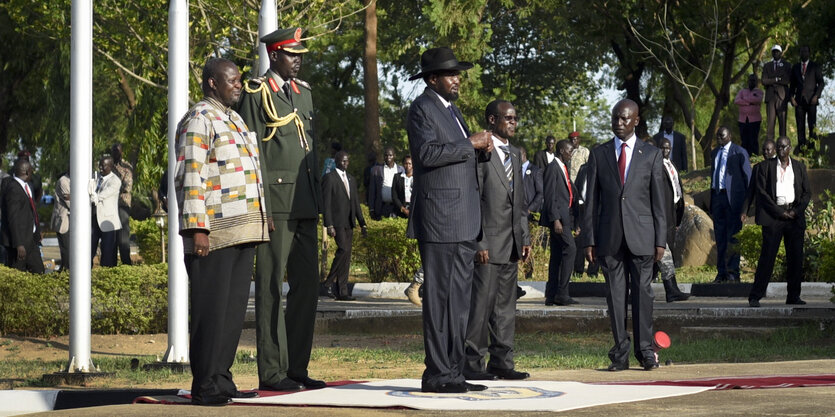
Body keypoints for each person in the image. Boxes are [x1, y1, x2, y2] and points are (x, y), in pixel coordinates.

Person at [174, 57, 268, 406]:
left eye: (240, 80)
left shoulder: (236, 119)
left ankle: (222, 378)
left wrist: (263, 216)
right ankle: (205, 384)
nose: (239, 85)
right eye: (232, 80)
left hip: (243, 230)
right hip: (212, 233)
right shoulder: (199, 118)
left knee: (231, 313)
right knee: (210, 312)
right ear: (212, 82)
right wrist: (197, 229)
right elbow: (190, 176)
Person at [236, 27, 325, 392]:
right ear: (274, 55)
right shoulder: (256, 94)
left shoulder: (304, 94)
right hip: (276, 204)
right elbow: (252, 154)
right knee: (271, 288)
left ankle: (297, 368)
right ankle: (272, 372)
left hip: (304, 202)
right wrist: (262, 208)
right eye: (291, 54)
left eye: (300, 54)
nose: (297, 59)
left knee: (308, 288)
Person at [405, 46, 493, 393]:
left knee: (459, 303)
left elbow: (460, 158)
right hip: (440, 220)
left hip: (465, 220)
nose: (457, 79)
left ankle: (455, 372)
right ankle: (437, 374)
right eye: (451, 74)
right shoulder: (422, 109)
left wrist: (481, 151)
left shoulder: (453, 110)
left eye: (458, 73)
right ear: (432, 79)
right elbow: (426, 154)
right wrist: (471, 143)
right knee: (439, 301)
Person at [583, 99, 667, 371]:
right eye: (615, 118)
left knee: (643, 295)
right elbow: (591, 202)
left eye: (624, 119)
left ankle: (645, 353)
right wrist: (590, 239)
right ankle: (620, 354)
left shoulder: (651, 155)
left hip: (643, 237)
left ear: (636, 121)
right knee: (615, 297)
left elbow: (659, 202)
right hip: (609, 238)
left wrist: (660, 240)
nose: (618, 123)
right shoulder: (599, 154)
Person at [464, 99, 530, 381]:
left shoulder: (515, 154)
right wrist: (479, 242)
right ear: (492, 120)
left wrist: (524, 236)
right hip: (487, 244)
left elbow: (520, 202)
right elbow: (473, 198)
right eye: (508, 118)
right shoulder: (481, 151)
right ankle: (472, 363)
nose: (513, 123)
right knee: (481, 307)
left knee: (505, 309)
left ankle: (502, 362)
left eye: (515, 118)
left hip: (512, 243)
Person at [748, 136, 810, 307]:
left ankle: (793, 296)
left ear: (790, 148)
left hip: (794, 218)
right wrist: (780, 212)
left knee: (795, 259)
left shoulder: (798, 167)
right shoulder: (766, 167)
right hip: (774, 218)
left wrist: (794, 211)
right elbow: (762, 193)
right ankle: (755, 296)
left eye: (784, 147)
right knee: (767, 258)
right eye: (778, 147)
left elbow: (806, 194)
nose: (781, 150)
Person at [321, 151, 367, 301]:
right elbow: (326, 203)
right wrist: (329, 224)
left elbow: (355, 203)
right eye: (343, 161)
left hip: (349, 222)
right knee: (343, 249)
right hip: (337, 222)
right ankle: (327, 284)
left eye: (347, 161)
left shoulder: (351, 179)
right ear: (337, 161)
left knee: (346, 256)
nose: (346, 163)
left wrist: (362, 223)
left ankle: (343, 291)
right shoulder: (330, 178)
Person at [710, 126, 751, 283]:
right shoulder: (714, 153)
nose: (719, 139)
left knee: (733, 237)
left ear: (730, 136)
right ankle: (721, 273)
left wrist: (746, 206)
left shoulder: (739, 152)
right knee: (720, 237)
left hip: (733, 200)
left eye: (722, 136)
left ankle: (733, 273)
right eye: (717, 136)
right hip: (718, 198)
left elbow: (748, 178)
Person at [540, 139, 578, 306]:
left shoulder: (564, 167)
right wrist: (555, 220)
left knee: (556, 256)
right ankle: (562, 293)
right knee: (570, 249)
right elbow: (549, 196)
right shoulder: (552, 168)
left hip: (566, 217)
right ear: (562, 151)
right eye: (570, 151)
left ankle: (551, 294)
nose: (571, 154)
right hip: (559, 220)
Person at [657, 138, 689, 302]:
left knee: (665, 255)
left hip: (672, 213)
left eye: (668, 148)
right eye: (662, 148)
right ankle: (671, 290)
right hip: (661, 216)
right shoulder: (656, 166)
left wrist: (677, 217)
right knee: (663, 254)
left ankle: (672, 289)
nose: (666, 150)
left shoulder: (672, 165)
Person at [1, 158, 44, 273]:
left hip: (31, 240)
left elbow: (31, 211)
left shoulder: (27, 186)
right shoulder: (13, 188)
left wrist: (37, 230)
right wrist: (18, 244)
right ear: (26, 172)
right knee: (17, 275)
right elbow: (12, 218)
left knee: (39, 271)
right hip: (19, 243)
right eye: (31, 171)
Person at [789, 46, 825, 151]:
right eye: (801, 51)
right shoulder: (795, 67)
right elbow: (792, 85)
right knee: (800, 126)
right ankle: (802, 149)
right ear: (799, 53)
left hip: (811, 101)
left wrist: (816, 96)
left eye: (805, 51)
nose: (803, 53)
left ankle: (812, 150)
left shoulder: (815, 66)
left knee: (812, 126)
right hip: (799, 101)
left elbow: (821, 82)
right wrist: (791, 98)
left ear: (809, 53)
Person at [89, 154, 122, 267]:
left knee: (107, 253)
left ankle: (106, 277)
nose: (101, 169)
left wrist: (94, 196)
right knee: (89, 249)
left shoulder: (115, 181)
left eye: (104, 166)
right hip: (94, 219)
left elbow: (102, 195)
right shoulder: (97, 178)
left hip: (108, 221)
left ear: (111, 167)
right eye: (100, 166)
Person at [519, 147, 543, 284]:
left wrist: (530, 209)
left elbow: (540, 193)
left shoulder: (535, 171)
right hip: (518, 215)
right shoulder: (513, 170)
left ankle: (530, 273)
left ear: (524, 154)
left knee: (531, 244)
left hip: (531, 215)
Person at [762, 45, 791, 141]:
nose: (775, 53)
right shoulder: (767, 66)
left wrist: (772, 80)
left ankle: (783, 145)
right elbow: (764, 81)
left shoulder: (787, 65)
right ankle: (770, 146)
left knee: (782, 123)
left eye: (777, 51)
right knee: (770, 123)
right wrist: (777, 79)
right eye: (774, 51)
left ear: (781, 53)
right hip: (770, 97)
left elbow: (787, 80)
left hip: (782, 96)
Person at [111, 142, 134, 265]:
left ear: (122, 152)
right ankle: (111, 265)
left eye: (117, 150)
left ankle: (127, 264)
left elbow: (127, 187)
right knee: (111, 238)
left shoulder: (126, 167)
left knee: (123, 237)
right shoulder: (108, 166)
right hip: (109, 206)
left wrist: (111, 188)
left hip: (122, 205)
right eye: (113, 150)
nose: (115, 153)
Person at [742, 140, 777, 220]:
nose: (765, 152)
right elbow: (751, 190)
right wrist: (744, 211)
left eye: (768, 150)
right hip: (763, 211)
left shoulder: (781, 166)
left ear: (774, 150)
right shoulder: (757, 168)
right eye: (764, 150)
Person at [367, 147, 404, 220]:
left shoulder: (401, 170)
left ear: (394, 156)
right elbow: (372, 191)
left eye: (390, 155)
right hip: (381, 207)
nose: (388, 157)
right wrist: (371, 209)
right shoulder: (376, 170)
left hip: (396, 208)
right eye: (386, 155)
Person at [734, 74, 764, 156]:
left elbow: (758, 100)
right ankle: (744, 157)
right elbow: (736, 100)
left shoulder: (759, 92)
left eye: (754, 80)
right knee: (744, 140)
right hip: (742, 120)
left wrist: (744, 100)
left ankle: (754, 157)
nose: (752, 82)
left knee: (753, 140)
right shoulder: (742, 91)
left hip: (755, 120)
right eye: (750, 80)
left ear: (756, 82)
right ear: (748, 81)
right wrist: (750, 102)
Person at [51, 168, 71, 271]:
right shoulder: (63, 181)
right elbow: (71, 204)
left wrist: (73, 196)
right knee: (66, 249)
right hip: (64, 221)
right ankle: (66, 272)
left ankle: (65, 270)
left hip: (71, 220)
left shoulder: (76, 180)